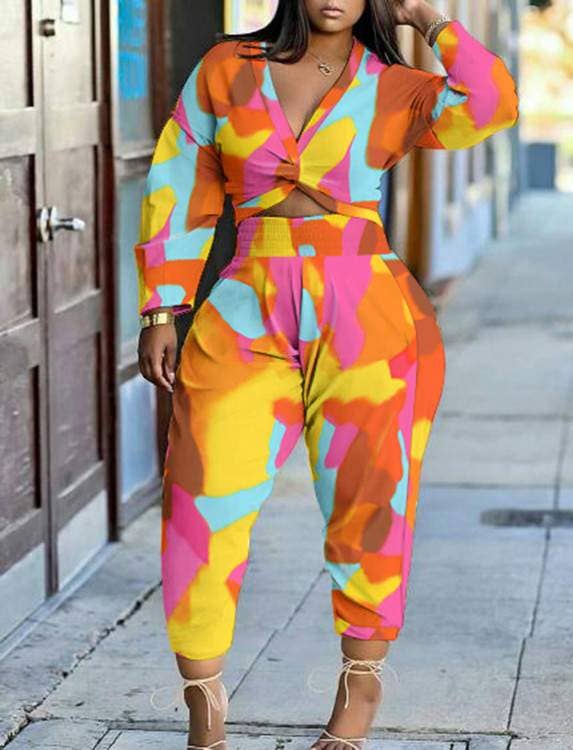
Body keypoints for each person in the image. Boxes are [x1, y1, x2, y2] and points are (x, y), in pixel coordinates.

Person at [135, 0, 519, 748]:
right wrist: (162, 307)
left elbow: (493, 102)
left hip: (371, 315)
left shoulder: (395, 85)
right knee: (200, 505)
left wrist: (428, 19)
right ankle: (204, 708)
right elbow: (179, 177)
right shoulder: (227, 68)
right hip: (246, 306)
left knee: (371, 507)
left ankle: (358, 693)